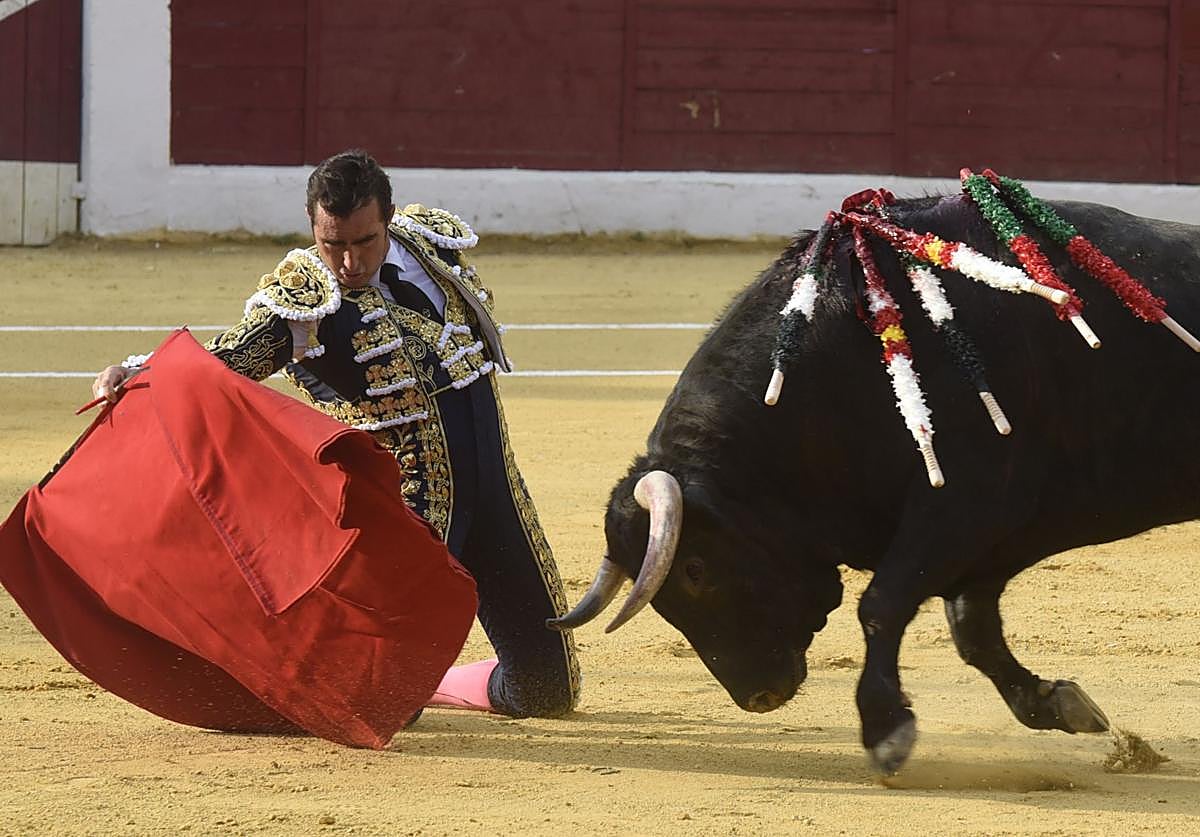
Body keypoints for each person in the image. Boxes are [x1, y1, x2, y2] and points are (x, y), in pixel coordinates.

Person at [92, 149, 580, 719]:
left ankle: (445, 682)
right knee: (389, 707)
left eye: (363, 242)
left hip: (498, 493)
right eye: (332, 244)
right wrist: (140, 371)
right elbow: (225, 363)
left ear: (389, 221)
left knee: (545, 692)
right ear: (312, 227)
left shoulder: (429, 246)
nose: (348, 262)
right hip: (406, 517)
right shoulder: (306, 305)